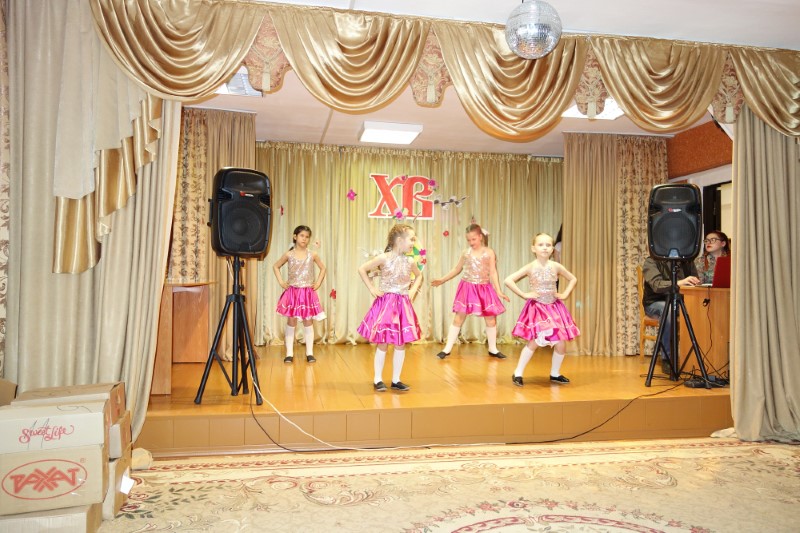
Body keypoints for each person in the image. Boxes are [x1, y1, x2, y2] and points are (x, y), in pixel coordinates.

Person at [505, 232, 580, 386]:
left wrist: (565, 294)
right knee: (534, 342)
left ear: (552, 249)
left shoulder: (556, 266)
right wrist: (524, 294)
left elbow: (573, 279)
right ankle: (518, 372)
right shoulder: (530, 267)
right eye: (541, 245)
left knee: (561, 344)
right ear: (534, 248)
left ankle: (555, 373)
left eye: (548, 245)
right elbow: (508, 280)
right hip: (538, 308)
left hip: (554, 308)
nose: (545, 248)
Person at [357, 224, 423, 392]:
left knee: (400, 343)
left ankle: (396, 379)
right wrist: (372, 288)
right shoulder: (384, 258)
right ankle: (378, 379)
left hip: (402, 305)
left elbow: (419, 275)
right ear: (399, 240)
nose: (413, 243)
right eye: (411, 239)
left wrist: (412, 292)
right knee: (383, 343)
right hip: (386, 305)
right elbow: (362, 269)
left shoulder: (410, 261)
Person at [431, 223, 510, 360]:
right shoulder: (466, 253)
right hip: (467, 288)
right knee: (458, 318)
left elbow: (493, 272)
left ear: (480, 237)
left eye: (474, 239)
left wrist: (498, 290)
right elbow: (457, 269)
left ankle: (493, 349)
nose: (471, 242)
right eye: (468, 240)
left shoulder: (489, 252)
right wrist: (442, 280)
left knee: (491, 320)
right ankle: (447, 349)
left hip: (484, 288)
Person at [273, 225, 327, 364]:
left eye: (307, 237)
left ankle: (309, 353)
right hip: (293, 292)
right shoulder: (289, 254)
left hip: (307, 292)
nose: (304, 239)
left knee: (308, 321)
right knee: (291, 321)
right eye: (302, 235)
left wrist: (318, 283)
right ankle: (289, 353)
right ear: (295, 236)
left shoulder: (312, 254)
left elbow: (323, 268)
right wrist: (281, 282)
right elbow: (276, 266)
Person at [642, 256, 700, 373]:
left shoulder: (687, 261)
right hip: (655, 302)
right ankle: (667, 358)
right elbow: (657, 285)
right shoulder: (651, 261)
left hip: (680, 302)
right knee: (668, 310)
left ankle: (697, 357)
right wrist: (679, 283)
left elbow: (695, 283)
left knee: (699, 309)